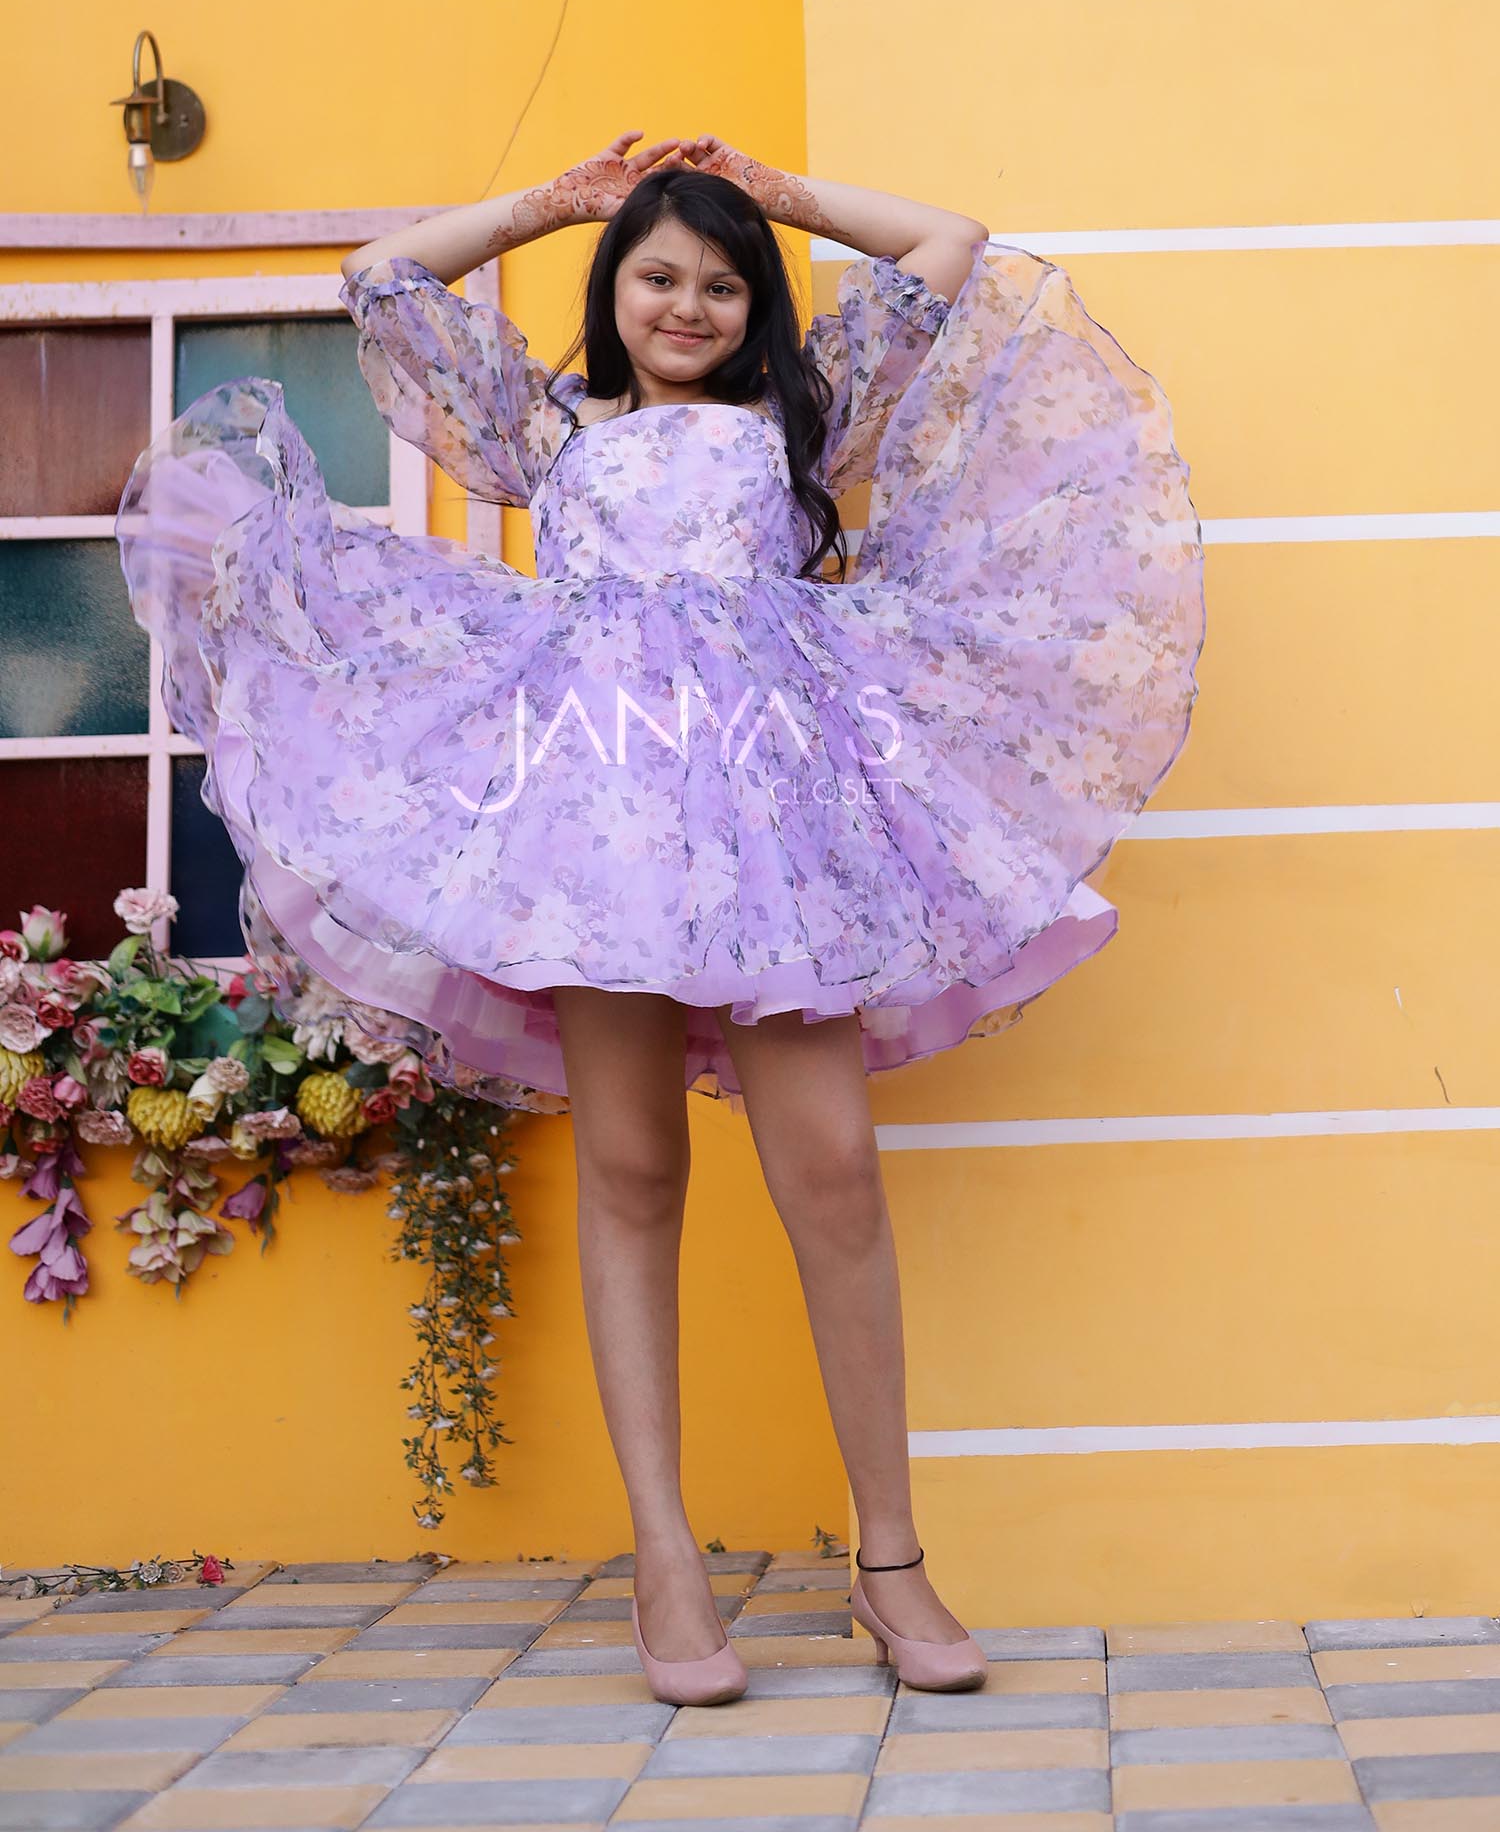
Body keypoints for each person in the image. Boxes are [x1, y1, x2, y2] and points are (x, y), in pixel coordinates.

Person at [116, 131, 1205, 1705]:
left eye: (715, 280)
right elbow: (382, 279)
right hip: (599, 823)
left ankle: (890, 1557)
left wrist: (779, 195)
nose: (685, 303)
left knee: (829, 1167)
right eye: (654, 275)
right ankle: (667, 1558)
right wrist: (552, 202)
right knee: (632, 1165)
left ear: (751, 300)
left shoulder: (791, 427)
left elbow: (949, 248)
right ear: (610, 290)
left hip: (772, 818)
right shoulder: (552, 430)